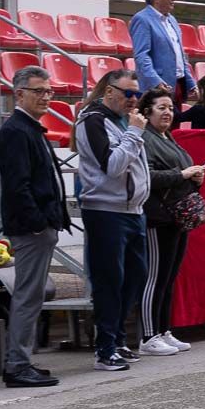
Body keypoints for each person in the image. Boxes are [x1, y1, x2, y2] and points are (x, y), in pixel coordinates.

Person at [0, 66, 69, 388]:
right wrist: (39, 224)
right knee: (27, 296)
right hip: (30, 230)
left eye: (49, 92)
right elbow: (17, 187)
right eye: (39, 91)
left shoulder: (29, 128)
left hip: (37, 227)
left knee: (32, 295)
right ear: (20, 93)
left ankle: (20, 361)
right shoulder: (16, 131)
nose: (46, 97)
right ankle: (16, 365)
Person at [75, 69, 150, 372]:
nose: (134, 100)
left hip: (133, 210)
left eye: (137, 94)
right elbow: (113, 166)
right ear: (109, 92)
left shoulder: (122, 120)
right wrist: (134, 133)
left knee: (135, 276)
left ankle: (118, 339)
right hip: (106, 210)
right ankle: (105, 347)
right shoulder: (93, 119)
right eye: (128, 94)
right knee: (110, 280)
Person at [137, 89, 205, 357]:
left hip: (176, 215)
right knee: (155, 277)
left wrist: (195, 177)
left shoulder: (168, 137)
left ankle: (163, 329)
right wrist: (183, 174)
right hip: (158, 215)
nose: (167, 113)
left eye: (170, 108)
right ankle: (147, 335)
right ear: (147, 112)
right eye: (161, 108)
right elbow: (148, 176)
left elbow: (181, 172)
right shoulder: (145, 138)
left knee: (169, 276)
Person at [129, 0, 197, 113]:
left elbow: (179, 56)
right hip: (156, 89)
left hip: (177, 85)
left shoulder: (172, 19)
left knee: (173, 131)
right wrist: (156, 82)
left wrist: (190, 83)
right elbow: (142, 56)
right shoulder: (142, 19)